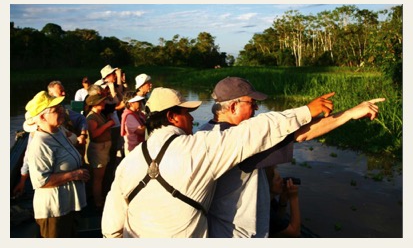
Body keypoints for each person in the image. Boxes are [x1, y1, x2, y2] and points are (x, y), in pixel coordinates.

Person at [100, 84, 383, 238]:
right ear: (173, 117)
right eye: (252, 103)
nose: (257, 108)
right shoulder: (211, 146)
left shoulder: (132, 160)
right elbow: (287, 133)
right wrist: (343, 114)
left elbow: (111, 227)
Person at [198, 76, 385, 238]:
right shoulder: (240, 143)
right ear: (232, 107)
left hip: (218, 229)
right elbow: (302, 133)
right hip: (240, 235)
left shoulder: (203, 133)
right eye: (251, 103)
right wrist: (349, 113)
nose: (256, 108)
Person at [24, 91, 90, 238]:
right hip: (55, 212)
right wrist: (74, 174)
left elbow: (72, 143)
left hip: (68, 206)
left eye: (60, 107)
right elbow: (41, 181)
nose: (62, 111)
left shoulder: (58, 130)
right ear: (42, 117)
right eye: (56, 110)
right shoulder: (40, 144)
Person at [84, 93, 115, 209]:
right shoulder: (92, 117)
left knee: (100, 176)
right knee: (98, 178)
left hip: (103, 148)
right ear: (95, 104)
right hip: (98, 149)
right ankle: (98, 202)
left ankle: (99, 198)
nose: (104, 103)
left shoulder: (99, 114)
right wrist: (108, 124)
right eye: (101, 102)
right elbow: (94, 135)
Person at [266, 167, 301, 237]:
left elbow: (279, 219)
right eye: (278, 179)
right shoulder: (264, 208)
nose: (282, 181)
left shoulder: (269, 199)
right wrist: (294, 198)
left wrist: (283, 199)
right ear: (268, 185)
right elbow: (295, 232)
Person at [120, 91, 146, 156]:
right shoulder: (129, 116)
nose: (140, 103)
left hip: (139, 148)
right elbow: (141, 132)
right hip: (133, 150)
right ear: (131, 104)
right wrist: (149, 123)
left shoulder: (138, 114)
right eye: (138, 102)